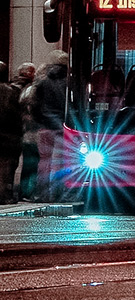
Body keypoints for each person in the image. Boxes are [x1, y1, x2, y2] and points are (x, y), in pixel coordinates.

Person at [28, 53, 70, 202]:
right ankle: (57, 193)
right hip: (62, 127)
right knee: (60, 163)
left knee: (44, 161)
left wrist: (39, 121)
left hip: (45, 127)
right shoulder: (69, 82)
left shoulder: (43, 81)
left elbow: (34, 104)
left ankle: (42, 194)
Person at [13, 64, 36, 201]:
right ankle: (27, 192)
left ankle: (16, 191)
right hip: (28, 131)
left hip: (15, 130)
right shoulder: (30, 89)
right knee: (30, 163)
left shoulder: (13, 86)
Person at [0, 64, 20, 204]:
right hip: (8, 134)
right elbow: (15, 114)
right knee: (7, 167)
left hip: (7, 134)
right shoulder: (11, 92)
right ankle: (4, 194)